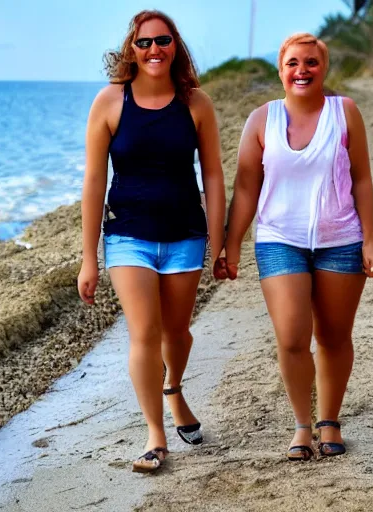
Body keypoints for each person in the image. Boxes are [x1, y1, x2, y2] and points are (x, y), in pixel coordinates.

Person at [77, 10, 226, 473]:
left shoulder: (196, 103)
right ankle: (156, 436)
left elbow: (215, 177)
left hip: (184, 235)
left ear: (174, 46)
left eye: (162, 41)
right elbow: (94, 181)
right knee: (144, 333)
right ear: (132, 51)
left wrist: (218, 243)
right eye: (144, 43)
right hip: (127, 237)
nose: (154, 49)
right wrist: (89, 259)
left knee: (177, 332)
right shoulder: (109, 102)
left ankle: (174, 388)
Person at [224, 33, 373, 461]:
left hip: (341, 240)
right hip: (279, 240)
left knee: (333, 336)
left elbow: (362, 178)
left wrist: (369, 238)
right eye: (293, 63)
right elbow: (245, 189)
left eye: (311, 63)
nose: (302, 71)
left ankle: (329, 420)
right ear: (281, 70)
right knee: (292, 336)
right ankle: (301, 426)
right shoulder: (261, 120)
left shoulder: (345, 112)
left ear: (323, 68)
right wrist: (231, 246)